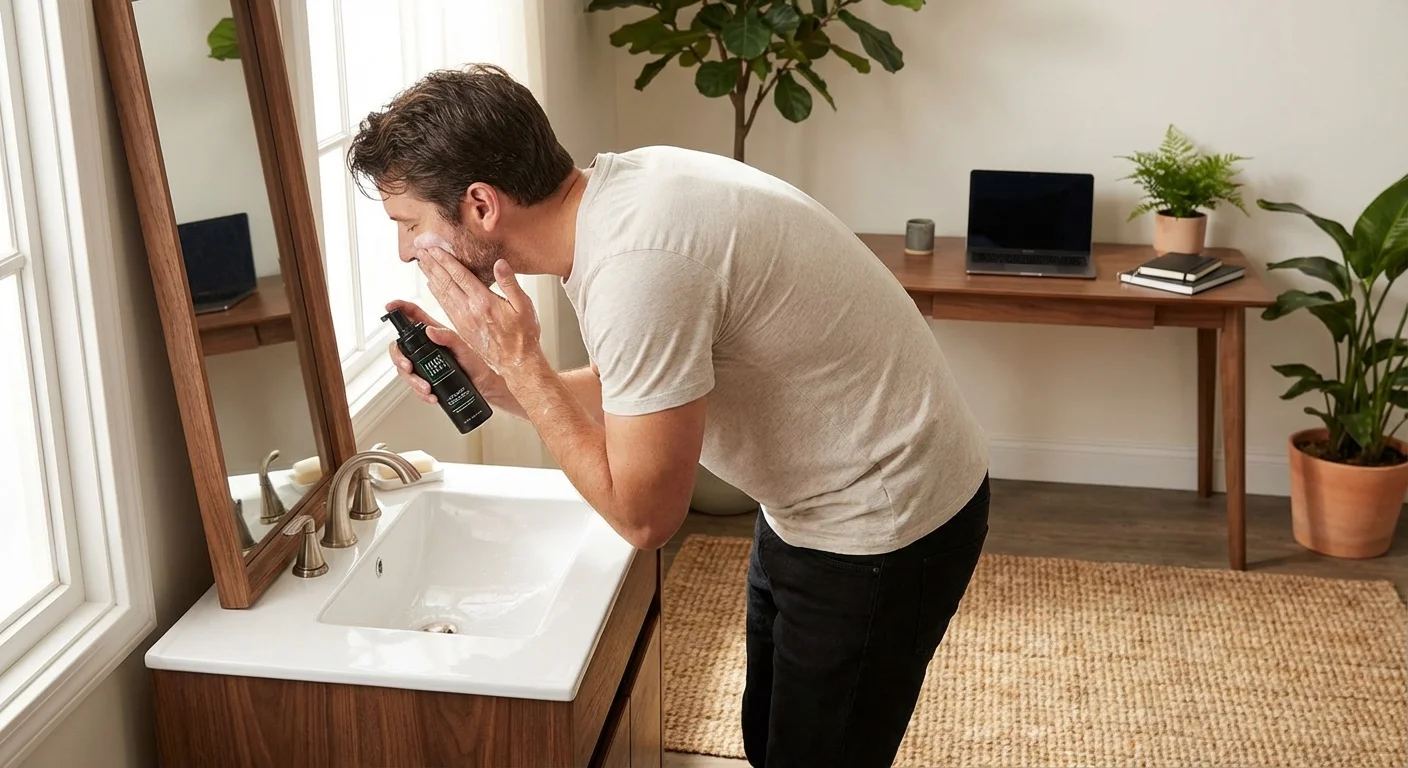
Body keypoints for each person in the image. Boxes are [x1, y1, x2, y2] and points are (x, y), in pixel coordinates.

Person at [348, 63, 991, 768]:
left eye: (409, 225)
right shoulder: (619, 197)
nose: (406, 250)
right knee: (768, 739)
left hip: (886, 521)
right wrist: (498, 379)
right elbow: (647, 381)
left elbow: (646, 518)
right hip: (813, 502)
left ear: (480, 205)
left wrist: (523, 362)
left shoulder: (636, 265)